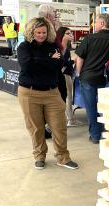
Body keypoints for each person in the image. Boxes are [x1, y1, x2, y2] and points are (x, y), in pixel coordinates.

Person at [17, 17, 78, 170]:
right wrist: (48, 59)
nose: (41, 35)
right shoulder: (24, 47)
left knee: (59, 126)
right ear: (31, 32)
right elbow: (26, 65)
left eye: (44, 32)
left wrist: (43, 60)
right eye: (38, 32)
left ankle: (63, 157)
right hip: (29, 93)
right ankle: (39, 156)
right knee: (36, 128)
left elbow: (58, 65)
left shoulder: (53, 46)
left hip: (52, 93)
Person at [75, 14, 109, 144]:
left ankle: (95, 135)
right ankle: (106, 131)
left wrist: (79, 74)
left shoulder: (90, 38)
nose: (95, 24)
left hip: (88, 77)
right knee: (103, 107)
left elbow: (79, 58)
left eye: (97, 22)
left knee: (91, 107)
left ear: (102, 23)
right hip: (104, 78)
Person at [38, 4, 67, 138]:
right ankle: (49, 128)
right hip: (51, 73)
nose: (57, 16)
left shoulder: (51, 29)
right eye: (55, 13)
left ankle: (49, 128)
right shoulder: (46, 30)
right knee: (59, 99)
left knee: (62, 95)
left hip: (54, 70)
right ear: (48, 16)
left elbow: (59, 53)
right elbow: (53, 52)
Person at [56, 27, 83, 127]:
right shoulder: (61, 47)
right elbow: (61, 62)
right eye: (68, 33)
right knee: (68, 97)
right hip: (64, 74)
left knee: (68, 96)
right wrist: (72, 62)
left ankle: (69, 118)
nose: (70, 35)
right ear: (62, 35)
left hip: (67, 73)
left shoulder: (66, 46)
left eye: (70, 33)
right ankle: (70, 119)